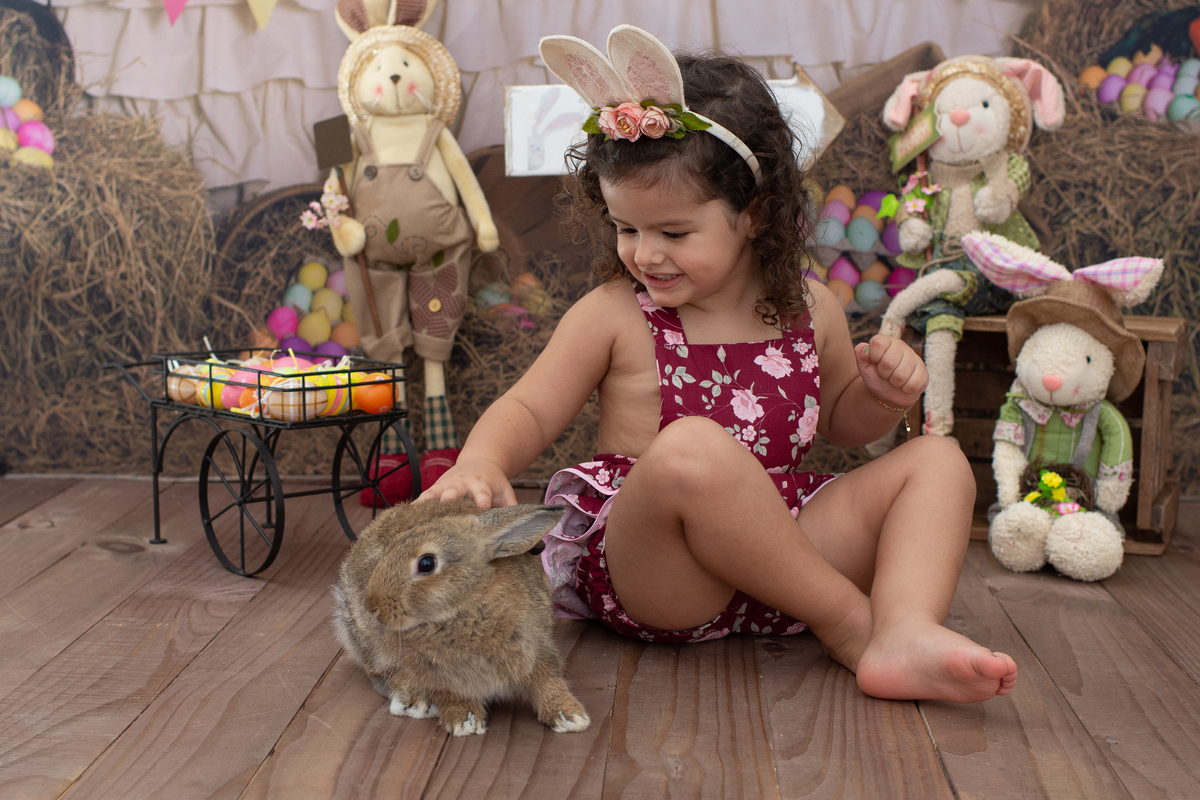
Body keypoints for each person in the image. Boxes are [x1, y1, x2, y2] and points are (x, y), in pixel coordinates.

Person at [418, 29, 1017, 703]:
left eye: (673, 233)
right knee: (692, 452)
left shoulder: (808, 308)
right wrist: (482, 460)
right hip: (666, 576)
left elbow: (840, 420)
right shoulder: (616, 313)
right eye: (626, 229)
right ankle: (851, 621)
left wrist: (877, 395)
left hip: (789, 550)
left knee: (939, 462)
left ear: (754, 215)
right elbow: (528, 408)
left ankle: (904, 630)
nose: (644, 255)